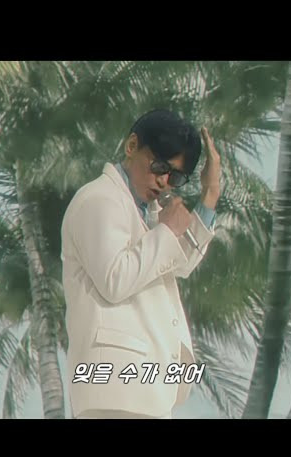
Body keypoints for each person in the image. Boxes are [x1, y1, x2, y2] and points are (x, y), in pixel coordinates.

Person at [60, 109, 221, 419]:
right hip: (115, 390)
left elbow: (178, 264)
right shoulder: (99, 199)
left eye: (175, 177)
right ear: (132, 146)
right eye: (160, 166)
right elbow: (115, 278)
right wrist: (167, 230)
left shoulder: (145, 211)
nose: (163, 181)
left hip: (139, 393)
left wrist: (210, 195)